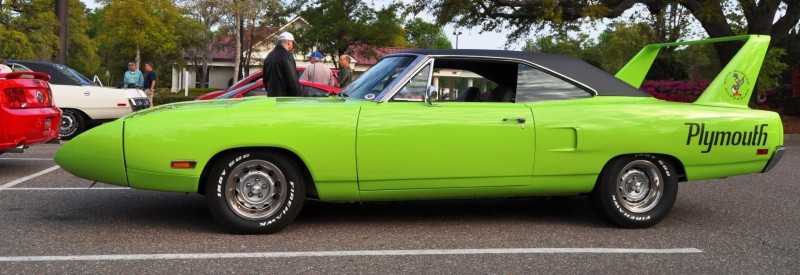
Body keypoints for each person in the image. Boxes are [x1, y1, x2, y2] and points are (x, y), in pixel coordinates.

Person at [262, 32, 300, 97]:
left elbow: (265, 79)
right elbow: (292, 80)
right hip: (285, 100)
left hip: (271, 97)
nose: (293, 45)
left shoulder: (269, 56)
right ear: (288, 42)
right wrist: (298, 96)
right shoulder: (287, 56)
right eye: (293, 43)